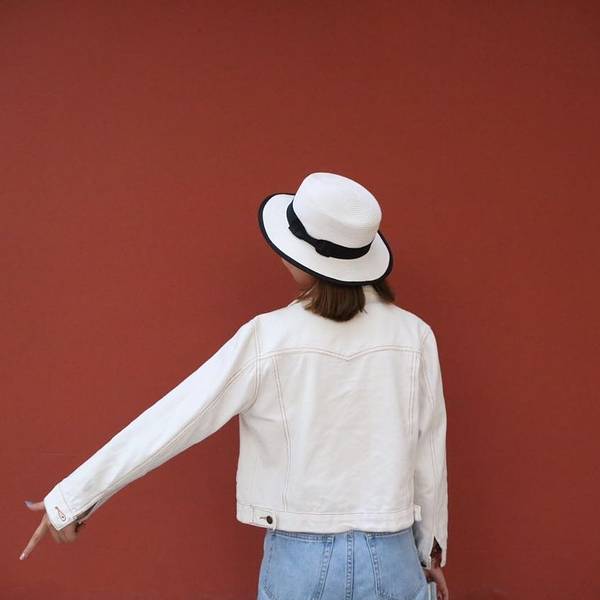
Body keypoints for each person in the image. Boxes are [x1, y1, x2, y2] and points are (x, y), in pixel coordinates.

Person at [20, 172, 450, 600]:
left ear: (299, 256)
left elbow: (176, 418)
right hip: (393, 557)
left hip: (300, 563)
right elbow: (429, 457)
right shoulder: (415, 336)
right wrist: (430, 553)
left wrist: (73, 499)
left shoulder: (268, 337)